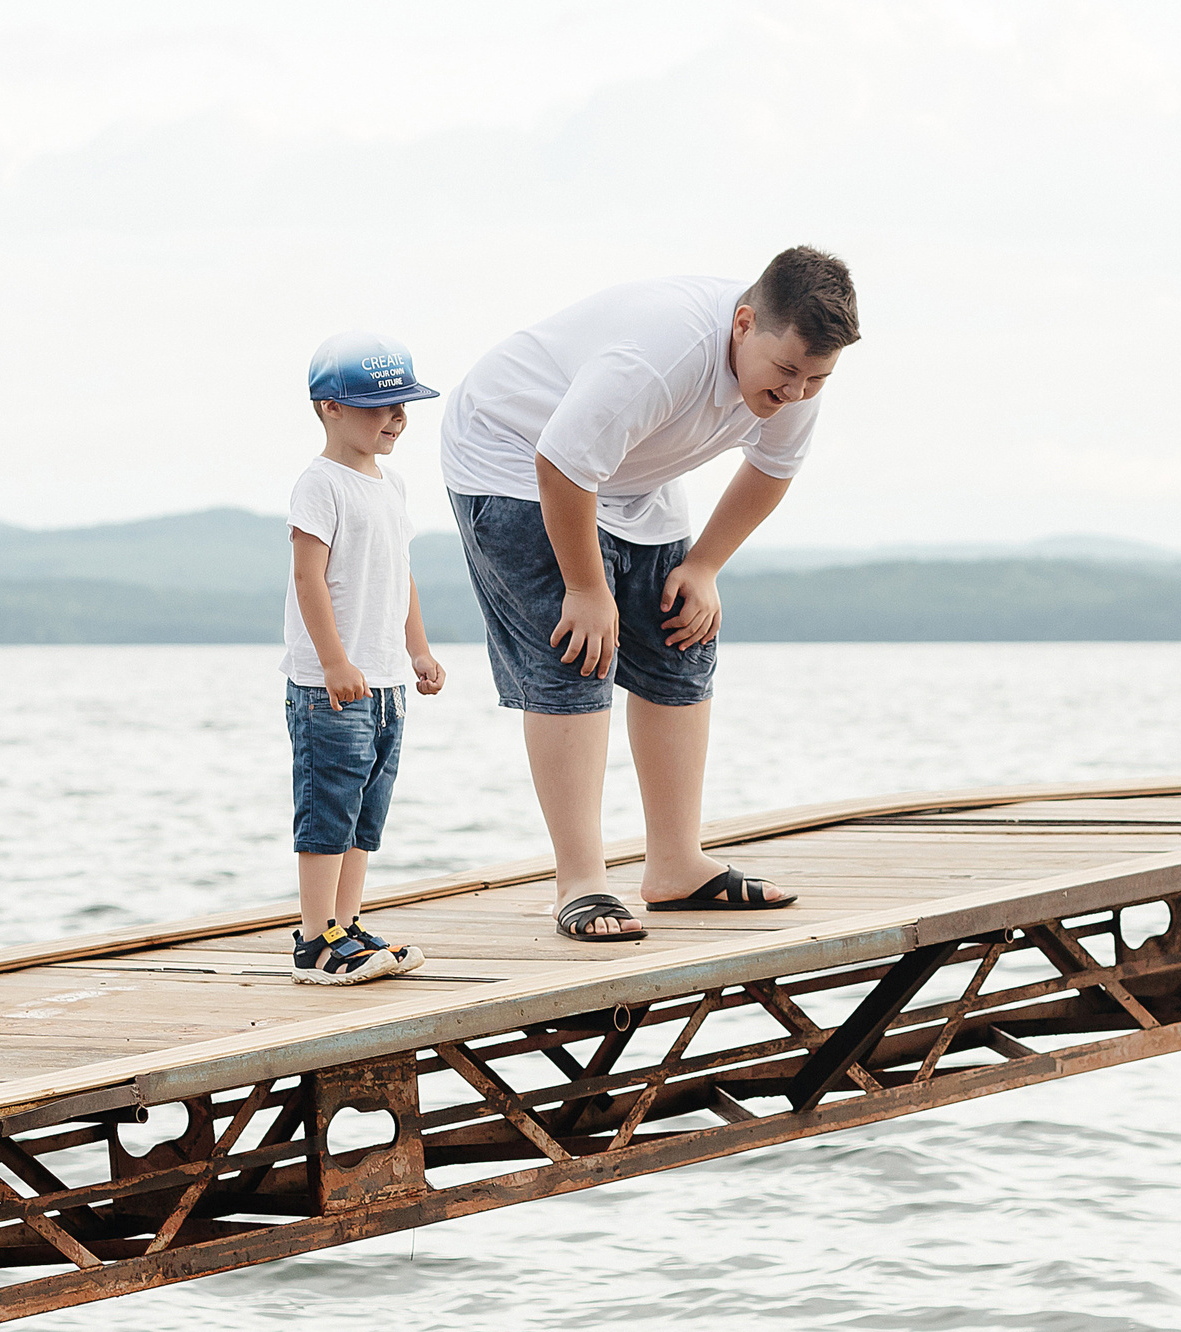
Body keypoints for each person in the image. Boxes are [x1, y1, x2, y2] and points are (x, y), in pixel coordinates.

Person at [439, 246, 859, 942]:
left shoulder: (797, 374)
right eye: (787, 371)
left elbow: (773, 468)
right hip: (514, 454)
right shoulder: (663, 353)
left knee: (681, 638)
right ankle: (580, 881)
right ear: (744, 324)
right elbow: (560, 461)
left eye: (817, 378)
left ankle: (675, 865)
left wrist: (705, 566)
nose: (796, 392)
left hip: (629, 471)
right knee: (577, 650)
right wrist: (585, 587)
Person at [282, 331, 449, 984]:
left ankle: (346, 926)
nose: (398, 417)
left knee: (363, 815)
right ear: (331, 407)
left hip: (385, 684)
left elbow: (400, 574)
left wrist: (418, 649)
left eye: (403, 405)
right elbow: (308, 578)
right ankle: (314, 940)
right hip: (331, 687)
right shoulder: (320, 484)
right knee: (327, 810)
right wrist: (333, 661)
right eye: (381, 405)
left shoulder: (392, 485)